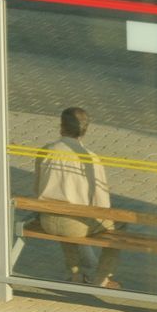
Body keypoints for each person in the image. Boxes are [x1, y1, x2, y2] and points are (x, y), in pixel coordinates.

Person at [34, 107, 121, 290]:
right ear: (85, 130)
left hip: (47, 221)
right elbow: (102, 202)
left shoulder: (46, 151)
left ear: (61, 127)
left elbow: (37, 187)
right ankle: (103, 278)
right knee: (118, 229)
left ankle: (75, 274)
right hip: (74, 225)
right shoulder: (91, 158)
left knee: (66, 218)